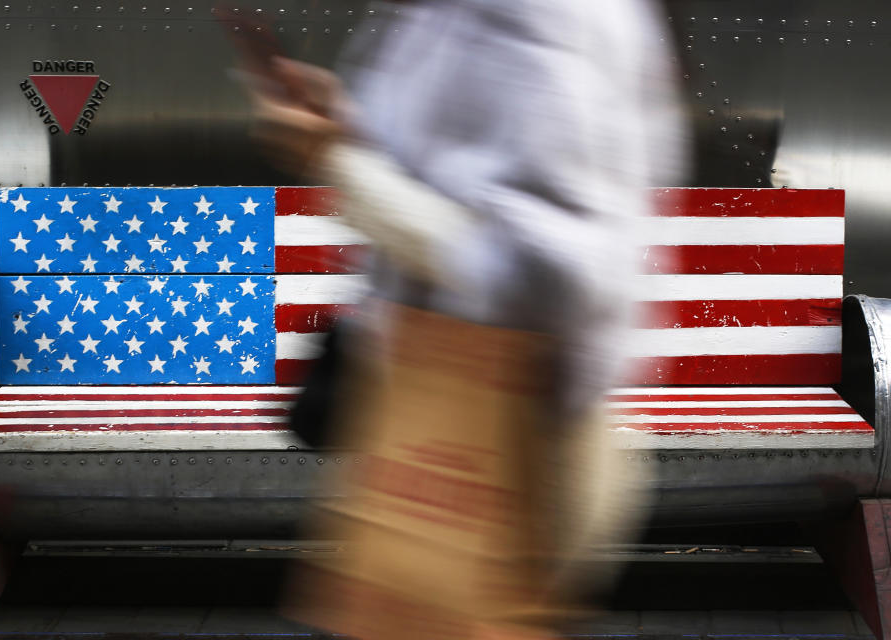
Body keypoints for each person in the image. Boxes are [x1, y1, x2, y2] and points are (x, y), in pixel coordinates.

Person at [236, 0, 687, 636]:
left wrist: (340, 166)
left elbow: (552, 274)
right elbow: (462, 179)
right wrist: (346, 129)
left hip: (513, 458)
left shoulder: (544, 16)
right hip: (430, 439)